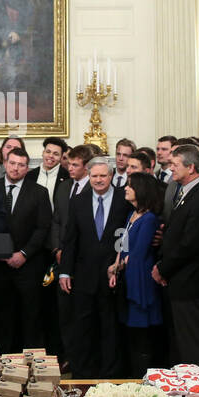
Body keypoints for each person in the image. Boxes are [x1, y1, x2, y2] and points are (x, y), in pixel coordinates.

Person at [59, 157, 131, 378]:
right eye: (94, 176)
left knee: (111, 327)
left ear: (111, 176)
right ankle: (84, 374)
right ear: (88, 176)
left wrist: (120, 265)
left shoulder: (123, 199)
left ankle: (111, 373)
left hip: (113, 275)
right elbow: (70, 239)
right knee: (84, 326)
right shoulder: (78, 200)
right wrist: (64, 270)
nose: (98, 180)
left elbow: (125, 235)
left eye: (103, 175)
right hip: (83, 276)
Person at [153, 144, 199, 366]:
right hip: (181, 279)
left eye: (175, 164)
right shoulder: (186, 189)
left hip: (193, 281)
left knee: (195, 344)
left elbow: (190, 243)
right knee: (182, 342)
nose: (170, 168)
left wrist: (163, 268)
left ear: (191, 167)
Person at [0, 147, 51, 352]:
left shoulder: (39, 192)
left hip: (28, 265)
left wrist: (23, 254)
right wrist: (0, 252)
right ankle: (0, 360)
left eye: (21, 165)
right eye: (12, 163)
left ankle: (30, 364)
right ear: (5, 164)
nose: (16, 168)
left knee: (31, 316)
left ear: (27, 168)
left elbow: (42, 228)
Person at [110, 171, 164, 376]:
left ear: (141, 190)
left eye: (130, 185)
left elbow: (138, 254)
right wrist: (115, 266)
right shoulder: (131, 214)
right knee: (130, 334)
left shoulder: (149, 218)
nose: (126, 188)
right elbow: (122, 244)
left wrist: (119, 266)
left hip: (140, 281)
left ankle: (143, 376)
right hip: (127, 275)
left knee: (142, 336)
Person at [25, 137, 69, 211]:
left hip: (56, 221)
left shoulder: (67, 177)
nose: (51, 156)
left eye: (56, 154)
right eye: (48, 152)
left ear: (61, 157)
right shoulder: (30, 175)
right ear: (43, 153)